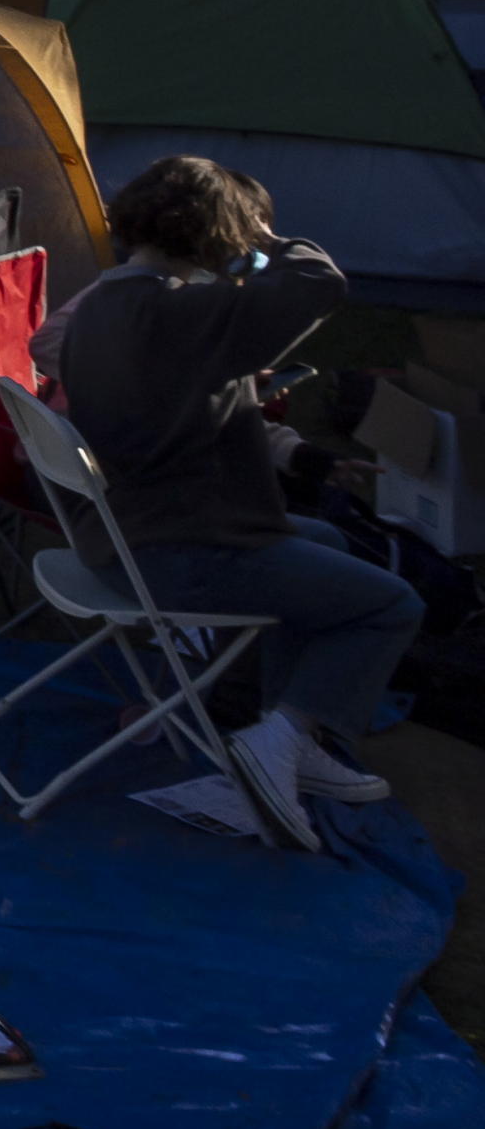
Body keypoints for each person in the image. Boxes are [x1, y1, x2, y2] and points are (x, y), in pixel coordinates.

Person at [34, 155, 418, 848]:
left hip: (119, 532)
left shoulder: (99, 307)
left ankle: (282, 730)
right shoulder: (178, 314)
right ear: (220, 232)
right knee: (392, 604)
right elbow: (318, 281)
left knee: (326, 546)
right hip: (182, 551)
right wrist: (268, 239)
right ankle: (281, 737)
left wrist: (295, 452)